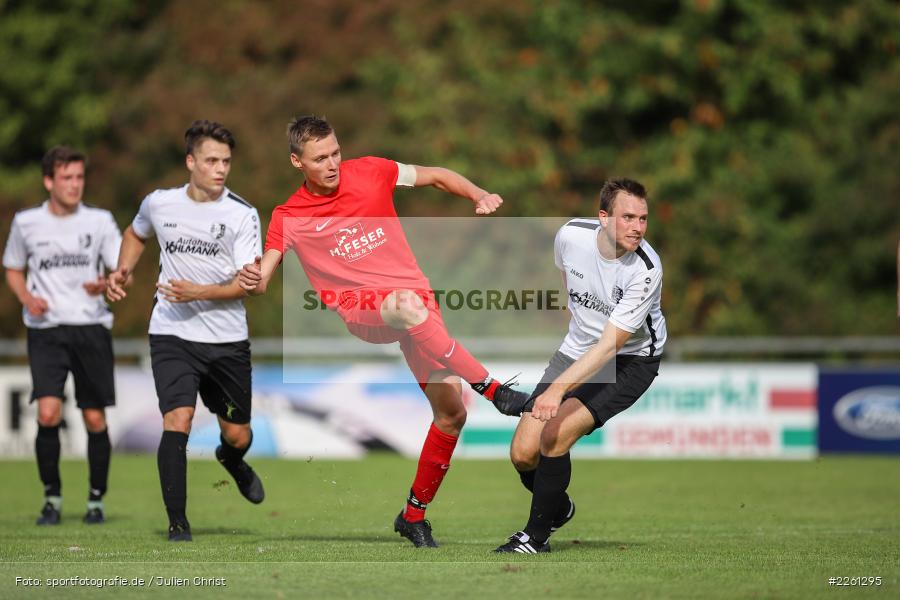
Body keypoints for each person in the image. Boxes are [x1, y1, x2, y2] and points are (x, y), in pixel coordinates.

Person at [238, 115, 529, 548]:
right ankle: (493, 389)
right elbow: (263, 276)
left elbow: (435, 175)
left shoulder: (372, 170)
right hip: (365, 312)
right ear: (297, 162)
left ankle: (413, 515)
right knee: (408, 307)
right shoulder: (289, 215)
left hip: (417, 306)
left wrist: (478, 193)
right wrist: (252, 279)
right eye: (320, 159)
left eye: (336, 153)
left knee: (451, 414)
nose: (332, 164)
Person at [106, 120, 264, 542]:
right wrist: (123, 270)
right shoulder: (160, 204)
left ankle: (232, 460)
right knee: (178, 418)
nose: (220, 169)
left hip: (227, 340)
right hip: (171, 333)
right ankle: (178, 523)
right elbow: (135, 233)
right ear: (190, 161)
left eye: (226, 161)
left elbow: (249, 286)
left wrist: (201, 291)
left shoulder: (242, 214)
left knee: (237, 434)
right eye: (211, 161)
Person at [494, 178, 667, 553]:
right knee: (523, 453)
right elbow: (569, 284)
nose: (637, 227)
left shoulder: (646, 269)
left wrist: (556, 391)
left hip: (630, 359)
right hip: (576, 349)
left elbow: (609, 347)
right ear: (603, 217)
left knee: (555, 434)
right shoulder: (570, 235)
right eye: (627, 217)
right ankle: (558, 507)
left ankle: (535, 538)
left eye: (643, 218)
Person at [3, 146, 121, 526]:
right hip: (47, 330)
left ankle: (96, 500)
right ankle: (51, 497)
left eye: (79, 177)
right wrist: (27, 298)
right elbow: (13, 268)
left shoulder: (100, 221)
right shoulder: (27, 222)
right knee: (48, 412)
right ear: (48, 181)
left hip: (90, 327)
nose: (74, 185)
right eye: (66, 178)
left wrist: (108, 282)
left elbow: (122, 270)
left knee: (94, 418)